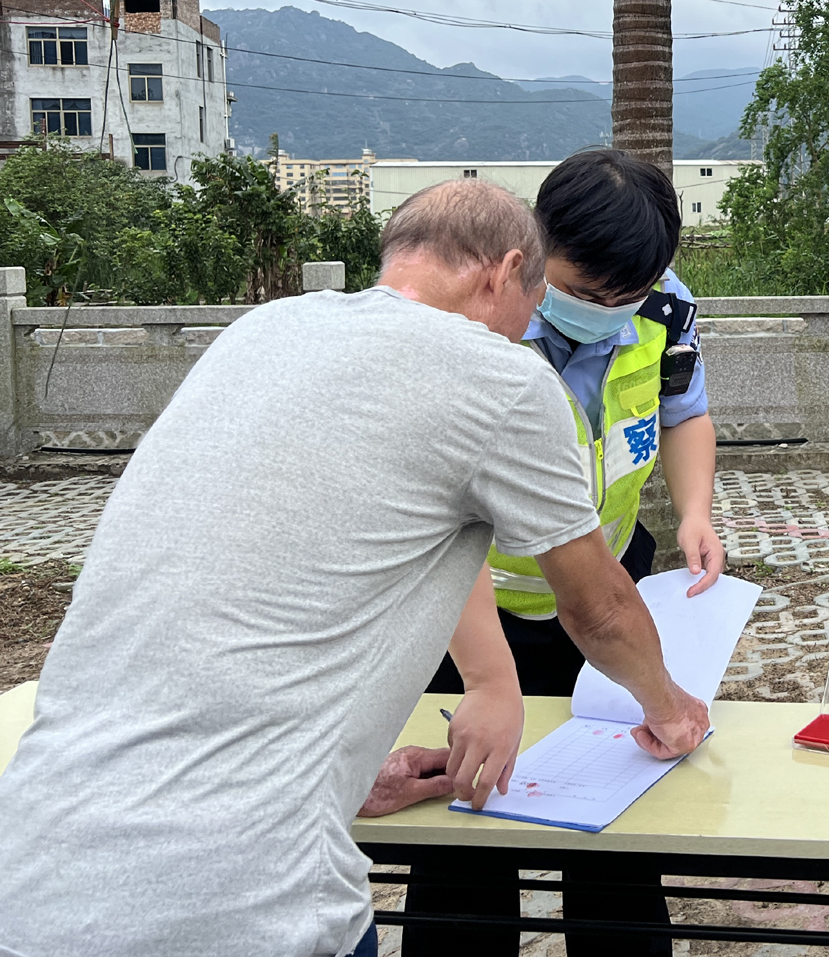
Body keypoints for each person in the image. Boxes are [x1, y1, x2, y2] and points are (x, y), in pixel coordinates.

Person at [0, 180, 709, 957]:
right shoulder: (502, 379)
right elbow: (601, 610)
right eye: (538, 298)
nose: (529, 328)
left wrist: (354, 767)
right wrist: (671, 710)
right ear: (505, 273)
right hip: (244, 901)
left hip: (36, 867)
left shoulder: (262, 331)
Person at [414, 150, 722, 957]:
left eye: (628, 297)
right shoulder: (482, 317)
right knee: (470, 819)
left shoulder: (664, 304)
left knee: (616, 828)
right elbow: (441, 515)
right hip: (480, 606)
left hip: (610, 574)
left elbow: (684, 408)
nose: (609, 312)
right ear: (533, 251)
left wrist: (696, 512)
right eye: (586, 295)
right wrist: (488, 674)